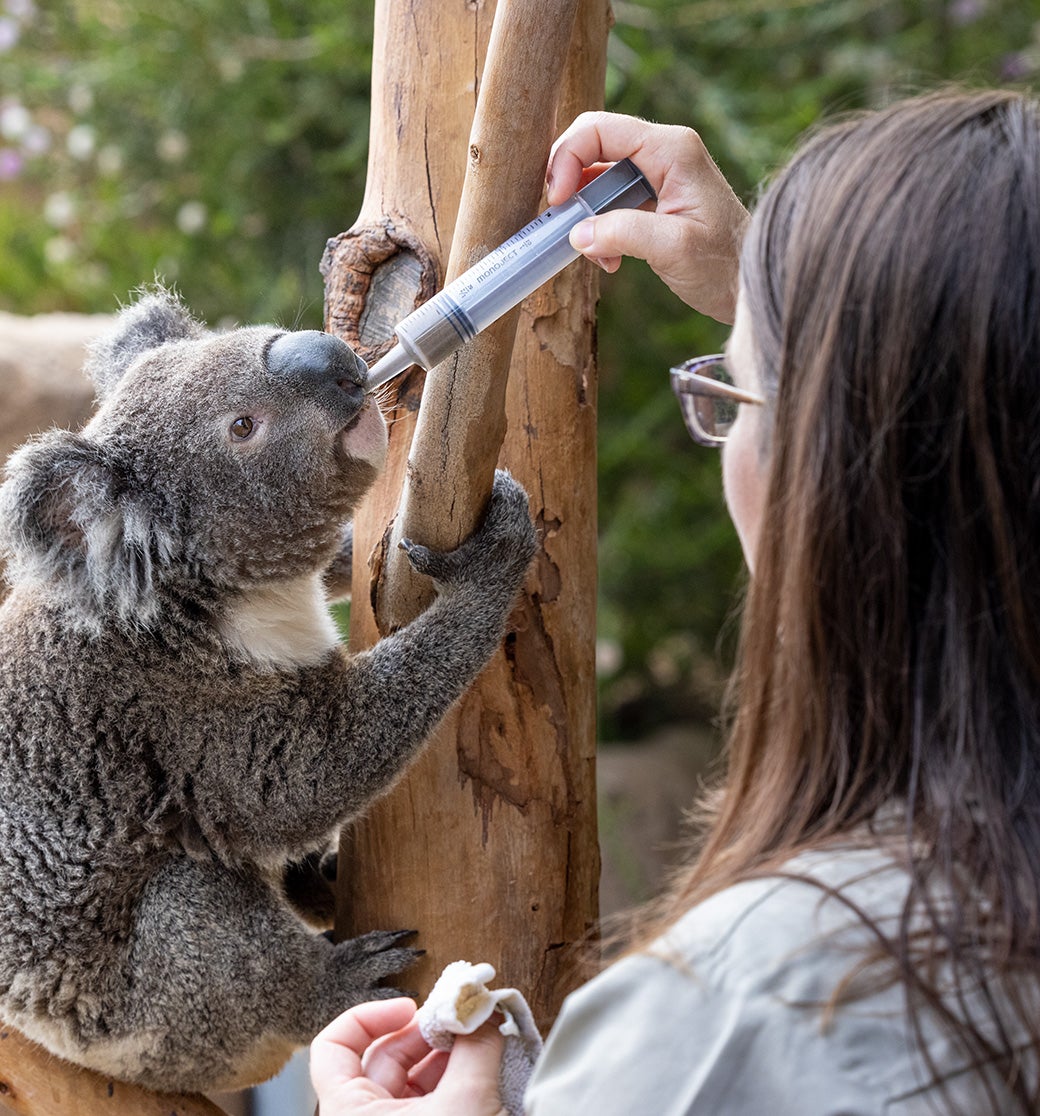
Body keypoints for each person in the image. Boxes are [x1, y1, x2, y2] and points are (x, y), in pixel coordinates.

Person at [309, 89, 1040, 1113]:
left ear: (830, 469)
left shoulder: (724, 1022)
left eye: (732, 393)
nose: (726, 431)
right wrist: (779, 307)